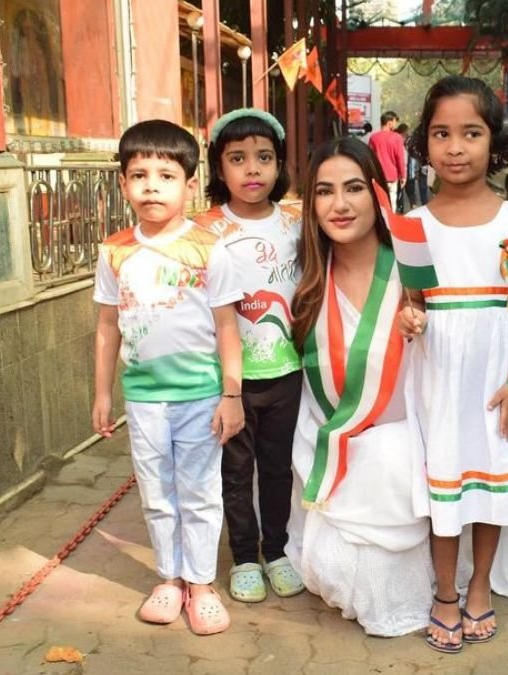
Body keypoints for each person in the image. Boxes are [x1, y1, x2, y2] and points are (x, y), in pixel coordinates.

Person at [399, 75, 508, 653]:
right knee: (446, 483)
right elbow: (412, 303)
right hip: (437, 374)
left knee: (490, 481)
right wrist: (409, 319)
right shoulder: (414, 223)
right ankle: (445, 594)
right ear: (424, 144)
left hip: (494, 373)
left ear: (494, 141)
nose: (455, 147)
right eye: (441, 134)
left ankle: (480, 584)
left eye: (471, 133)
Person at [92, 119, 244, 635]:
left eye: (166, 174)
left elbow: (228, 326)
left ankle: (201, 584)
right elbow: (107, 326)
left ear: (189, 184)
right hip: (143, 400)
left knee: (200, 492)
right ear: (123, 183)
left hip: (202, 396)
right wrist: (102, 392)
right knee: (157, 492)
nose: (151, 185)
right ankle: (169, 579)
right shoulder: (115, 251)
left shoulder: (209, 248)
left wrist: (232, 394)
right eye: (139, 174)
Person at [283, 137, 434, 637]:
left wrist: (423, 320)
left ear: (378, 194)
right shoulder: (304, 275)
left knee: (379, 580)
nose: (340, 205)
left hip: (403, 443)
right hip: (331, 437)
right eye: (324, 192)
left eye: (353, 189)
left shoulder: (411, 263)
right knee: (333, 572)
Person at [194, 109, 306, 603]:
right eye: (238, 159)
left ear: (280, 165)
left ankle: (276, 550)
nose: (252, 169)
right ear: (220, 169)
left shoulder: (298, 225)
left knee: (278, 469)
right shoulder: (202, 231)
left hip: (287, 371)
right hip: (227, 382)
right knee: (235, 472)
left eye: (264, 157)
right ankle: (243, 557)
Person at [368, 111, 407, 212]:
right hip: (392, 176)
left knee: (379, 201)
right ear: (389, 123)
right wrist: (403, 176)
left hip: (377, 176)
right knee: (392, 202)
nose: (396, 124)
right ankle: (390, 225)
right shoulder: (397, 138)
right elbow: (400, 158)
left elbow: (370, 157)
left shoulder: (373, 138)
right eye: (395, 122)